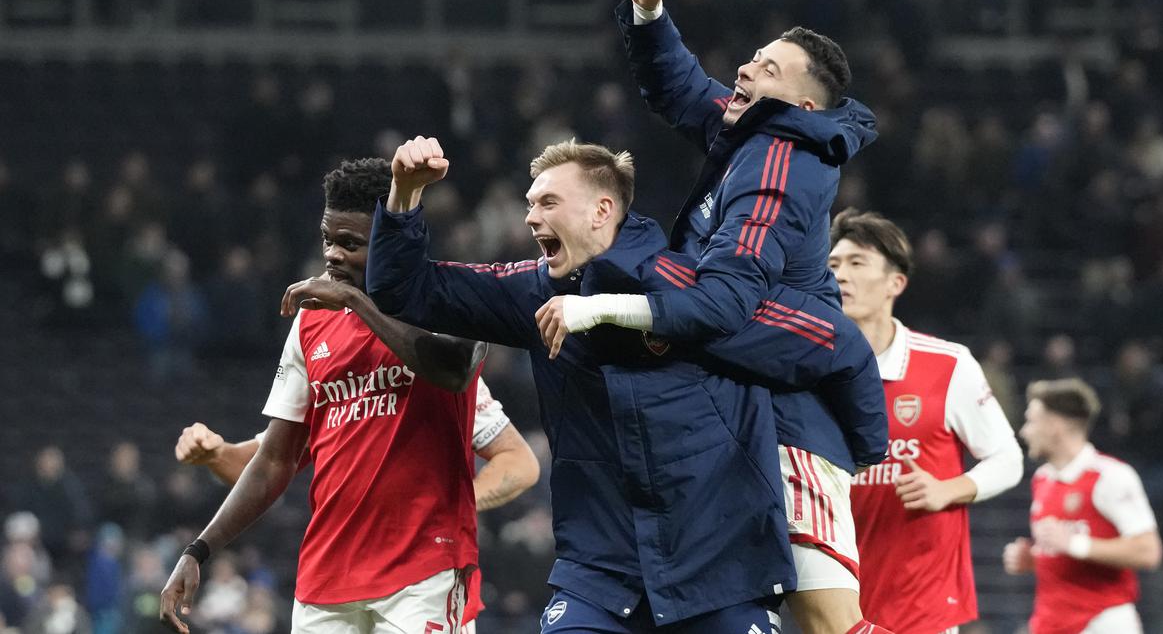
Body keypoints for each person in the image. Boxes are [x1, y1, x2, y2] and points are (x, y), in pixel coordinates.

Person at [349, 136, 888, 633]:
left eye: (548, 203)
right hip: (600, 573)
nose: (531, 216)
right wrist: (403, 195)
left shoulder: (706, 295)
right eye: (531, 203)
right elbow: (406, 290)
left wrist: (863, 451)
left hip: (721, 572)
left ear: (602, 210)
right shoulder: (532, 292)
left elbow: (838, 348)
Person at [544, 0, 887, 634]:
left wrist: (605, 307)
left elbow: (726, 302)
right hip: (746, 407)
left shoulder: (780, 167)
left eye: (767, 69)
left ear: (801, 104)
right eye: (753, 58)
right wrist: (648, 13)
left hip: (792, 423)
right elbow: (681, 88)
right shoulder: (754, 132)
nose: (745, 70)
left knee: (828, 623)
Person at [159, 159, 491, 634]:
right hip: (326, 580)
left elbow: (456, 369)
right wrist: (198, 550)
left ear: (388, 238)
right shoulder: (310, 323)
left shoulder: (444, 293)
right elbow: (275, 461)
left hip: (425, 571)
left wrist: (358, 303)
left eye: (350, 243)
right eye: (327, 240)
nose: (332, 254)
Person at [828, 208, 1024, 634]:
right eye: (833, 265)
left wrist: (949, 488)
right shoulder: (807, 371)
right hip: (835, 607)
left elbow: (1008, 458)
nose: (841, 275)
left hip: (923, 606)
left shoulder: (947, 365)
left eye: (857, 263)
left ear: (895, 283)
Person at [172, 373, 539, 512]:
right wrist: (215, 454)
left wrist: (447, 508)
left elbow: (518, 461)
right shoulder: (326, 366)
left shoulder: (436, 356)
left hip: (422, 577)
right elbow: (257, 467)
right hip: (331, 578)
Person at [1004, 378, 1163, 634]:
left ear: (1055, 426)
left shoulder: (1110, 476)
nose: (1025, 431)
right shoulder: (1043, 479)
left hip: (1102, 622)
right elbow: (1067, 549)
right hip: (1050, 622)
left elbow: (1148, 552)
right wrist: (1034, 559)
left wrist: (1075, 544)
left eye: (1032, 421)